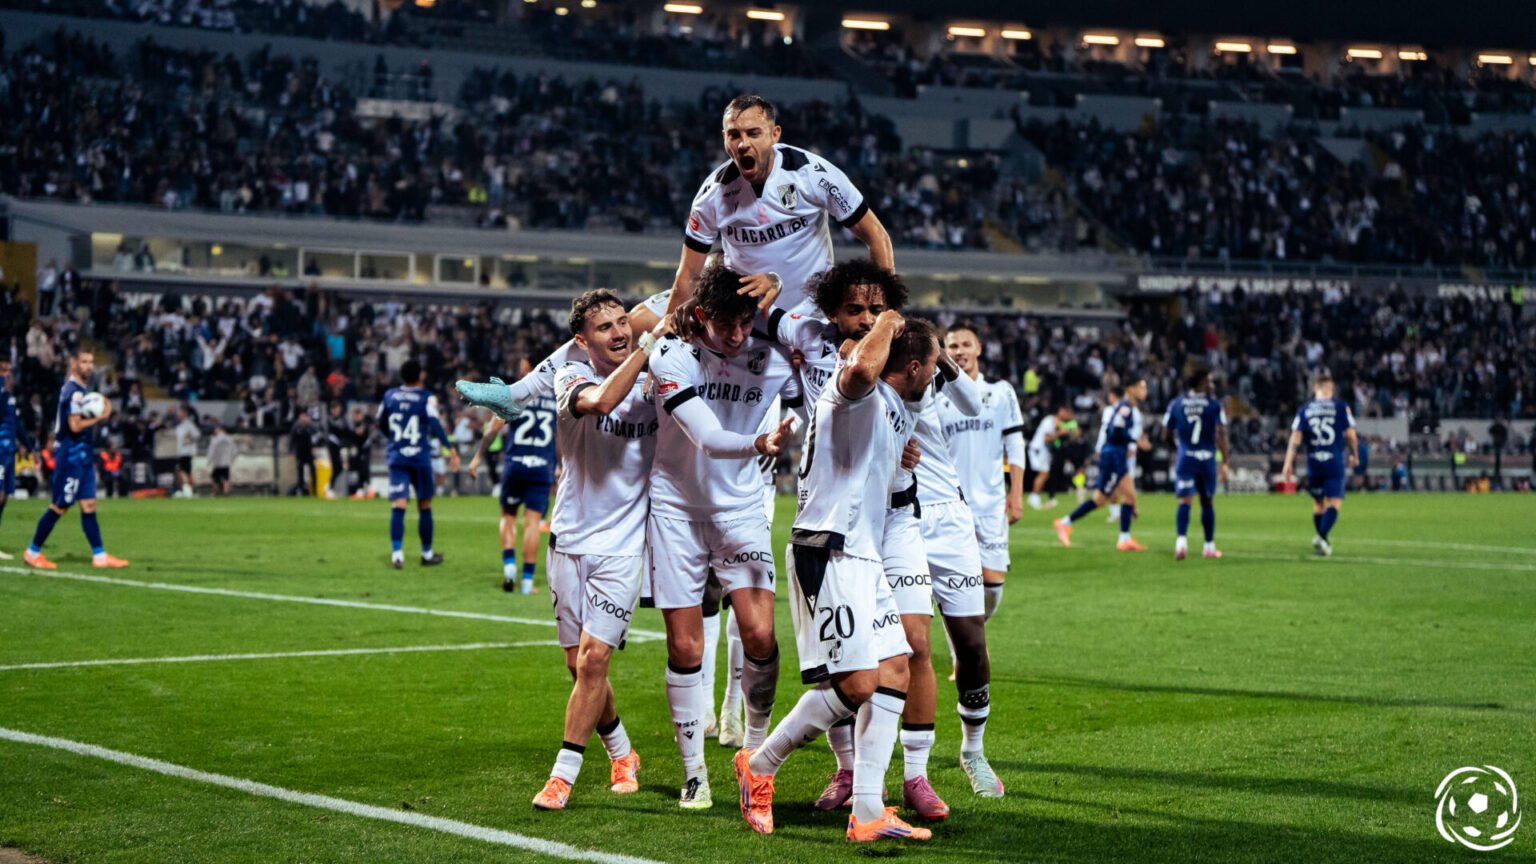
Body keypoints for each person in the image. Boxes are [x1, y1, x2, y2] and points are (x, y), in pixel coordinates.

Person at [734, 310, 936, 844]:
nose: (936, 374)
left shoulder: (895, 406)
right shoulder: (857, 393)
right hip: (828, 549)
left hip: (865, 555)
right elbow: (863, 370)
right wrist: (887, 320)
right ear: (914, 367)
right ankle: (760, 764)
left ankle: (867, 811)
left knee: (895, 670)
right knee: (856, 685)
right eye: (933, 365)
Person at [646, 264, 796, 810]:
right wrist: (759, 444)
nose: (737, 334)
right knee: (685, 646)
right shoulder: (672, 355)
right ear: (701, 315)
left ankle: (754, 756)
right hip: (676, 511)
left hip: (741, 510)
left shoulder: (773, 356)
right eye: (725, 323)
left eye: (745, 322)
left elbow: (829, 385)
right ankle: (694, 774)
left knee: (760, 634)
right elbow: (708, 437)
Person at [529, 290, 667, 812]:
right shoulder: (571, 375)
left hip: (622, 548)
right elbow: (602, 402)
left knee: (593, 662)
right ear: (582, 342)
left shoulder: (656, 379)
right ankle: (623, 752)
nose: (619, 332)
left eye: (622, 321)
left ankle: (561, 777)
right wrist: (647, 348)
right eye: (604, 327)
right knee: (578, 667)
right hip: (568, 540)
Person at [667, 94, 894, 317]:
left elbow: (877, 237)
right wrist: (667, 333)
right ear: (724, 138)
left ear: (774, 134)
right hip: (746, 323)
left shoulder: (814, 175)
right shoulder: (712, 195)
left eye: (754, 133)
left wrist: (888, 314)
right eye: (734, 135)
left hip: (813, 319)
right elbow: (688, 274)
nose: (743, 144)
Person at [906, 331, 1004, 800]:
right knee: (910, 648)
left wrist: (940, 355)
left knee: (971, 643)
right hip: (894, 518)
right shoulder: (857, 365)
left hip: (947, 517)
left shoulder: (924, 365)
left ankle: (973, 751)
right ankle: (912, 770)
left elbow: (973, 404)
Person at [940, 324, 1025, 619]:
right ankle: (962, 646)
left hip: (991, 503)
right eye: (953, 346)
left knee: (992, 585)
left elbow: (1015, 444)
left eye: (966, 344)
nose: (959, 351)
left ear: (979, 349)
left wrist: (1016, 493)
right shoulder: (935, 394)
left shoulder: (1001, 392)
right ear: (944, 351)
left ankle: (971, 637)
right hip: (951, 504)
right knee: (955, 585)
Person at [23, 348, 129, 569]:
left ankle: (99, 556)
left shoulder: (82, 390)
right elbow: (75, 425)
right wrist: (100, 417)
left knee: (89, 504)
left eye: (91, 362)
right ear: (73, 364)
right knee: (60, 505)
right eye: (84, 362)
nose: (89, 366)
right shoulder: (73, 392)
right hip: (70, 455)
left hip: (83, 455)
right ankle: (32, 552)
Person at [1055, 376, 1153, 551]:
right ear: (1131, 389)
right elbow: (1114, 432)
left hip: (1116, 455)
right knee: (1106, 499)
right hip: (1113, 457)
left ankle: (1123, 539)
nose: (1145, 391)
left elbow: (1112, 430)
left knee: (1121, 497)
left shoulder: (1126, 407)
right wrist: (1135, 440)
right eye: (1142, 387)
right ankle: (1065, 523)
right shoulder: (1125, 408)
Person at [380, 360, 460, 568]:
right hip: (419, 458)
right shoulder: (426, 397)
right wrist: (450, 448)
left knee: (399, 504)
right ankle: (427, 554)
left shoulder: (389, 396)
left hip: (397, 457)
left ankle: (397, 555)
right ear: (420, 376)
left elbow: (381, 421)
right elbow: (434, 423)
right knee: (424, 504)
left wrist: (395, 439)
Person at [1282, 372, 1359, 557]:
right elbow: (1350, 434)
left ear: (1315, 388)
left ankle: (1322, 540)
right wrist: (1355, 455)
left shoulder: (1305, 409)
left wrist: (1288, 462)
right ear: (1331, 389)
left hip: (1314, 462)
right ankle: (1322, 537)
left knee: (1318, 504)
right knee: (1334, 502)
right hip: (1334, 461)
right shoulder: (1340, 407)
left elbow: (1296, 437)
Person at [496, 385, 557, 594]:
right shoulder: (555, 398)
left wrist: (478, 457)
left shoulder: (517, 394)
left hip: (515, 464)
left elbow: (495, 426)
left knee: (508, 516)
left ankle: (509, 567)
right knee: (532, 523)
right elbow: (560, 436)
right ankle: (527, 583)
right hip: (542, 466)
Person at [1163, 369, 1228, 560]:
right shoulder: (1214, 405)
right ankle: (1209, 547)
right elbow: (1221, 433)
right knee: (1207, 501)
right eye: (1210, 381)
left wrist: (1177, 449)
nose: (1212, 385)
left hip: (1186, 457)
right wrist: (1225, 461)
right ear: (1202, 383)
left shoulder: (1176, 403)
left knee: (1184, 500)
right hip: (1206, 458)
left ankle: (1181, 544)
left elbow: (1166, 433)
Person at [0, 358, 38, 558]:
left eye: (10, 370)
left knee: (4, 496)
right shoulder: (3, 394)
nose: (8, 374)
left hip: (8, 452)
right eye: (3, 370)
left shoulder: (9, 397)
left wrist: (31, 449)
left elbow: (18, 425)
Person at [1027, 405, 1077, 510]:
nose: (1067, 415)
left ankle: (1035, 496)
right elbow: (1047, 438)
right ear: (1060, 411)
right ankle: (1034, 497)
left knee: (1044, 473)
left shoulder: (1056, 422)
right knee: (1043, 473)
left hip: (1043, 450)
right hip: (1039, 449)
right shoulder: (1049, 421)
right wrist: (1060, 433)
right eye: (1066, 412)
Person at [173, 406, 201, 497]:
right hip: (179, 453)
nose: (178, 416)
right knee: (178, 472)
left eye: (179, 414)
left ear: (184, 414)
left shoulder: (188, 424)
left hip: (186, 453)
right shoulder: (179, 426)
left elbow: (197, 434)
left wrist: (190, 436)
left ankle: (193, 491)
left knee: (184, 472)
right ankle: (181, 490)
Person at [288, 412, 318, 496]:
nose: (304, 419)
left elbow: (316, 438)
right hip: (300, 453)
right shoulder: (296, 427)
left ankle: (314, 491)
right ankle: (301, 490)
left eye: (305, 417)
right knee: (300, 472)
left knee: (313, 471)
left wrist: (315, 447)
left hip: (309, 453)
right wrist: (291, 453)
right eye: (302, 417)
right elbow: (292, 441)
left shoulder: (311, 427)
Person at [208, 424, 236, 496]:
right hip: (226, 461)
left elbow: (212, 450)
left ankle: (215, 492)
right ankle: (225, 492)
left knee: (214, 478)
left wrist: (209, 460)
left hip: (218, 462)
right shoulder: (229, 438)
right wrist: (232, 459)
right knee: (226, 477)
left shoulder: (215, 439)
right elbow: (234, 450)